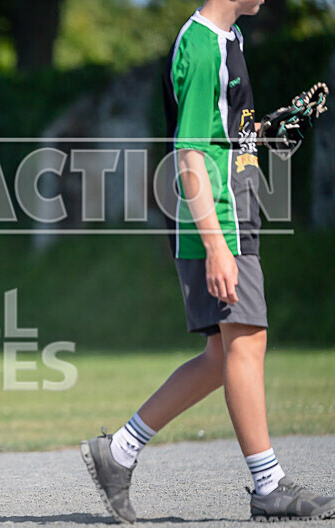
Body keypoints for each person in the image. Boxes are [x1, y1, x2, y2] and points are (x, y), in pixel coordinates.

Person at [80, 1, 335, 523]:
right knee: (247, 339)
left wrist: (260, 133)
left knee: (223, 355)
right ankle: (268, 486)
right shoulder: (203, 48)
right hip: (217, 214)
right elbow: (190, 152)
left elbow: (217, 133)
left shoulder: (230, 38)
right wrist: (216, 244)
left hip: (229, 206)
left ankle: (119, 452)